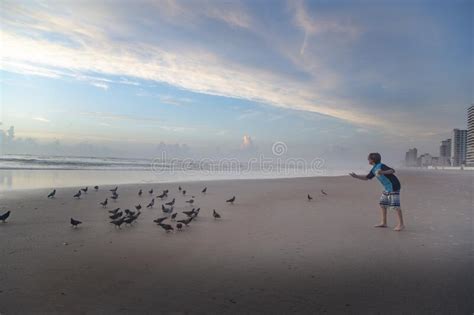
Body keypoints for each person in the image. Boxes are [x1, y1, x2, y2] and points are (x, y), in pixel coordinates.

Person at [349, 152, 405, 231]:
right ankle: (384, 222)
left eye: (369, 159)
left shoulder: (381, 166)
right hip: (387, 188)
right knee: (382, 204)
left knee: (395, 206)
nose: (368, 160)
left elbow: (392, 170)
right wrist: (356, 176)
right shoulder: (374, 169)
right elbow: (367, 178)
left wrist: (382, 172)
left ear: (373, 160)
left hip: (393, 186)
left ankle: (401, 224)